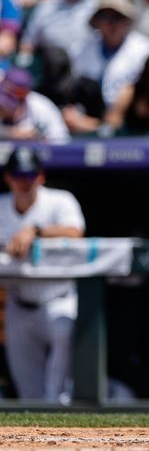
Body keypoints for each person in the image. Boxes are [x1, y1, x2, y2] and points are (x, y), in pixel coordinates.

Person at [0, 147, 86, 402]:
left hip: (58, 299)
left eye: (30, 175)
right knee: (29, 392)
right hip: (19, 301)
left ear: (40, 176)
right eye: (18, 175)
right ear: (8, 178)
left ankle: (63, 432)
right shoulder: (1, 206)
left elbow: (75, 232)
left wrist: (34, 231)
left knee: (56, 392)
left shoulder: (60, 200)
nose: (24, 181)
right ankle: (36, 441)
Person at [63, 0, 149, 134]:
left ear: (127, 21)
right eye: (105, 17)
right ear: (97, 21)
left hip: (129, 119)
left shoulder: (144, 49)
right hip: (87, 115)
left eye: (118, 18)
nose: (112, 24)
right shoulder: (80, 49)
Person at [0, 67, 70, 142]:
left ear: (23, 100)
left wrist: (37, 142)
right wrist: (9, 133)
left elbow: (62, 142)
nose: (3, 107)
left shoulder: (41, 108)